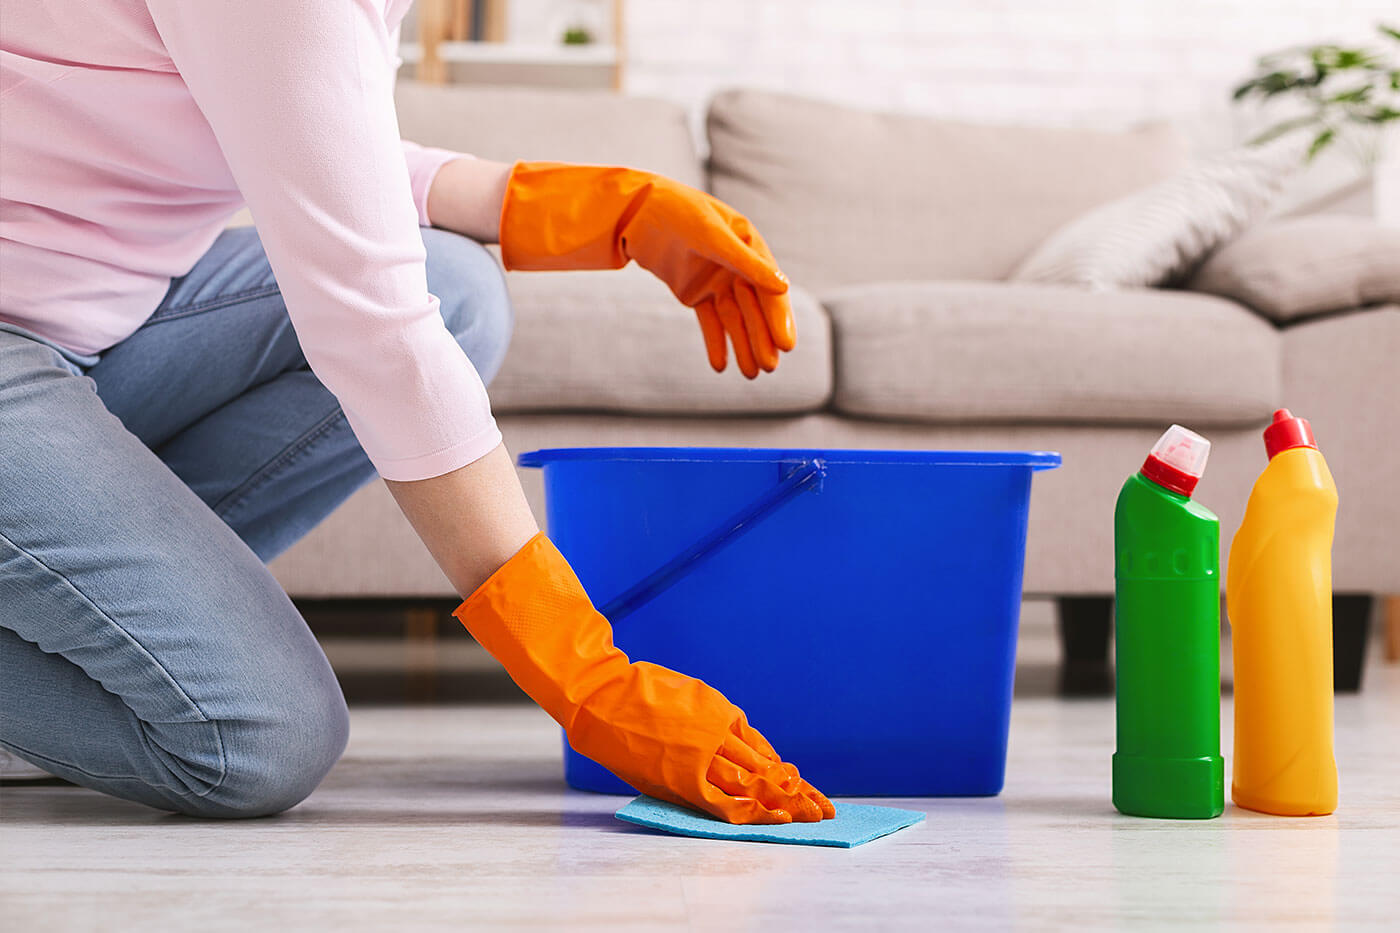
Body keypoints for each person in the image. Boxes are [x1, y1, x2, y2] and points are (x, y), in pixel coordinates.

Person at [0, 0, 834, 825]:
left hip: (83, 329)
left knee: (459, 291)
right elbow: (376, 332)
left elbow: (312, 136)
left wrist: (608, 211)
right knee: (257, 736)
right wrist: (587, 676)